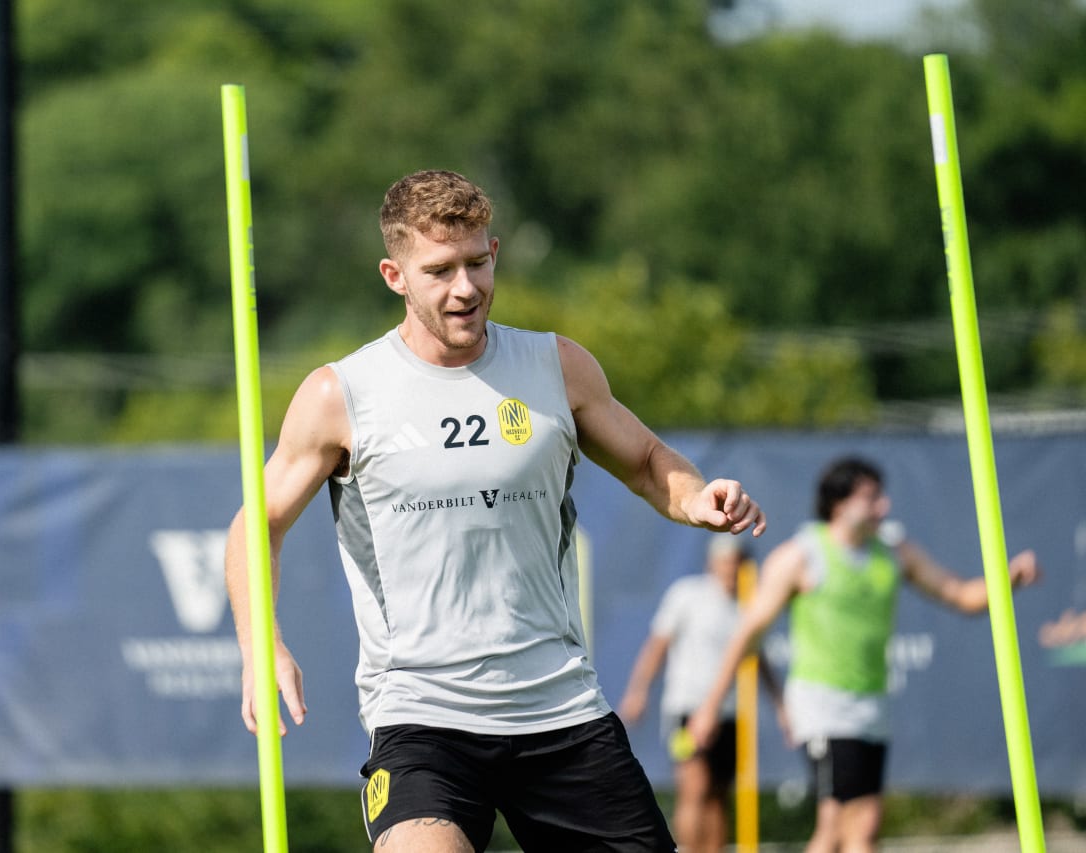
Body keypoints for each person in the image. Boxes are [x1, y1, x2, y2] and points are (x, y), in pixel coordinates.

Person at [224, 169, 766, 853]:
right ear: (394, 274)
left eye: (478, 263)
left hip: (561, 708)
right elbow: (256, 525)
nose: (465, 287)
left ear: (495, 252)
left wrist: (698, 498)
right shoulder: (343, 393)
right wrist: (258, 642)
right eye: (440, 270)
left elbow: (648, 461)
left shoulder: (555, 365)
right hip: (422, 717)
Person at [687, 456, 1040, 853]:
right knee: (840, 825)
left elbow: (960, 595)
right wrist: (710, 706)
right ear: (838, 503)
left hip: (872, 708)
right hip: (823, 707)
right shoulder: (800, 557)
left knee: (862, 830)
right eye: (870, 498)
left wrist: (1009, 579)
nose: (883, 506)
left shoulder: (893, 552)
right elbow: (747, 634)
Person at [618, 532, 782, 853]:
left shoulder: (749, 606)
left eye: (737, 562)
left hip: (731, 713)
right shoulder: (687, 596)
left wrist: (780, 704)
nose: (731, 569)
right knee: (695, 789)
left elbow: (760, 662)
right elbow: (657, 648)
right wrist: (638, 692)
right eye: (725, 562)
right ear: (712, 563)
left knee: (719, 795)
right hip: (687, 708)